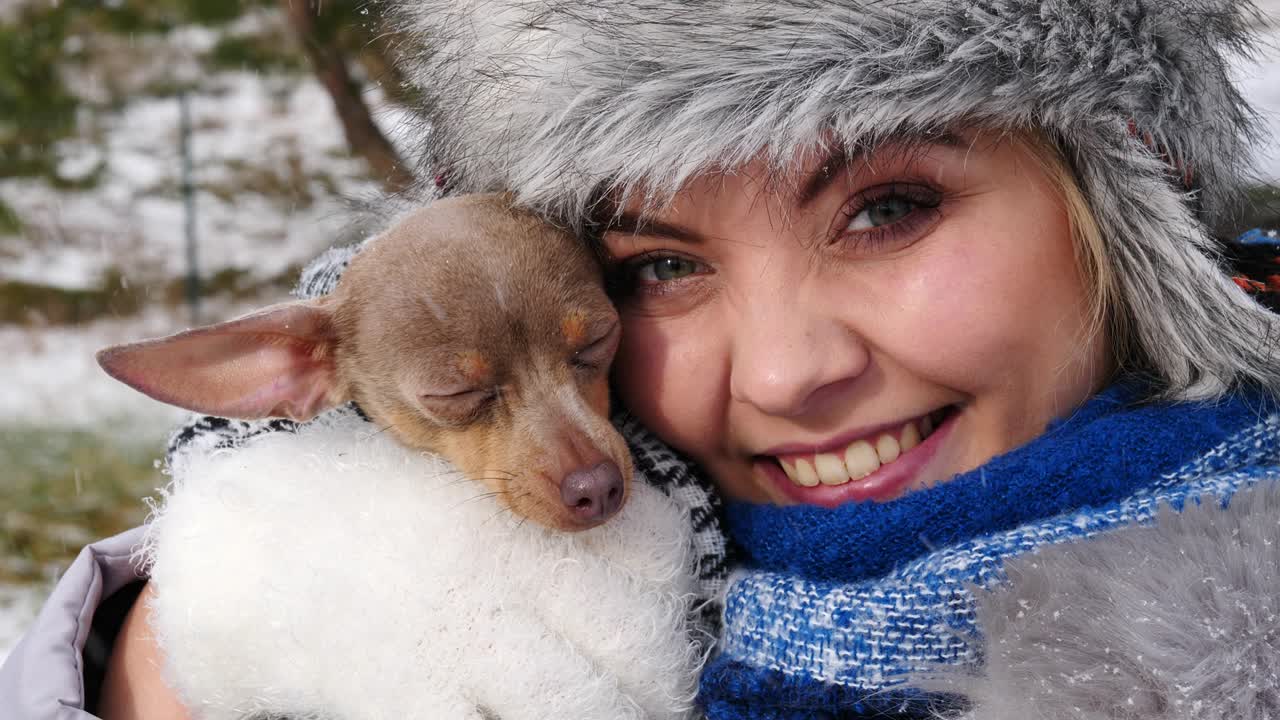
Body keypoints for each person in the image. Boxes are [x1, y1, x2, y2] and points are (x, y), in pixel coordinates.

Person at [5, 0, 1280, 717]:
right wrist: (162, 659)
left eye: (887, 208)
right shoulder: (440, 608)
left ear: (1132, 200)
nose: (785, 374)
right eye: (656, 268)